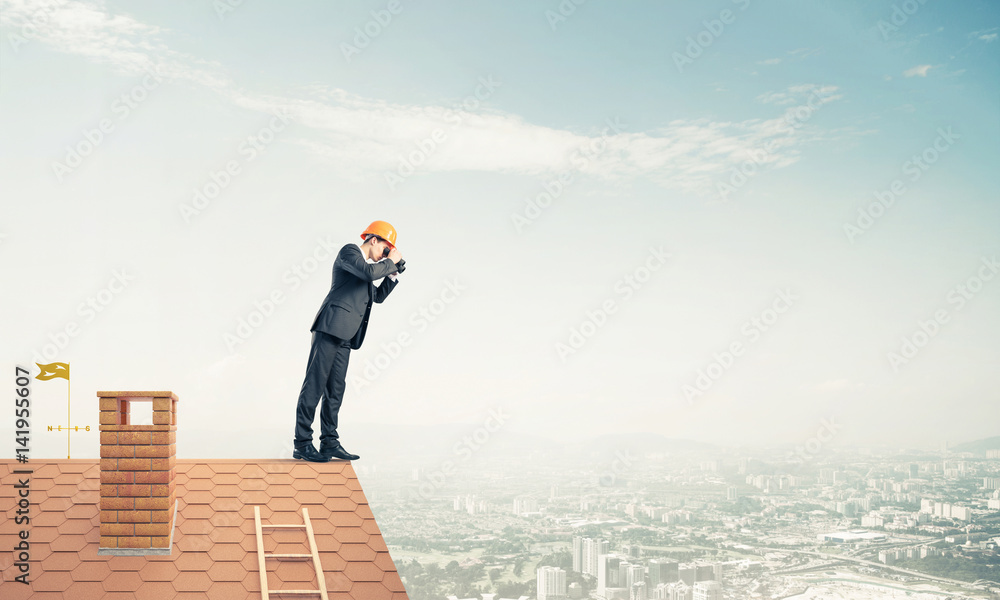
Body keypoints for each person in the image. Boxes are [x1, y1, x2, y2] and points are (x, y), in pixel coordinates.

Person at [292, 220, 404, 462]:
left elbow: (376, 296)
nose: (385, 254)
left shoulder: (365, 270)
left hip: (346, 335)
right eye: (386, 248)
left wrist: (392, 275)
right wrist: (389, 261)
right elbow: (369, 272)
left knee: (335, 390)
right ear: (374, 239)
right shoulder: (349, 252)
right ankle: (302, 443)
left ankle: (329, 442)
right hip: (330, 328)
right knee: (315, 384)